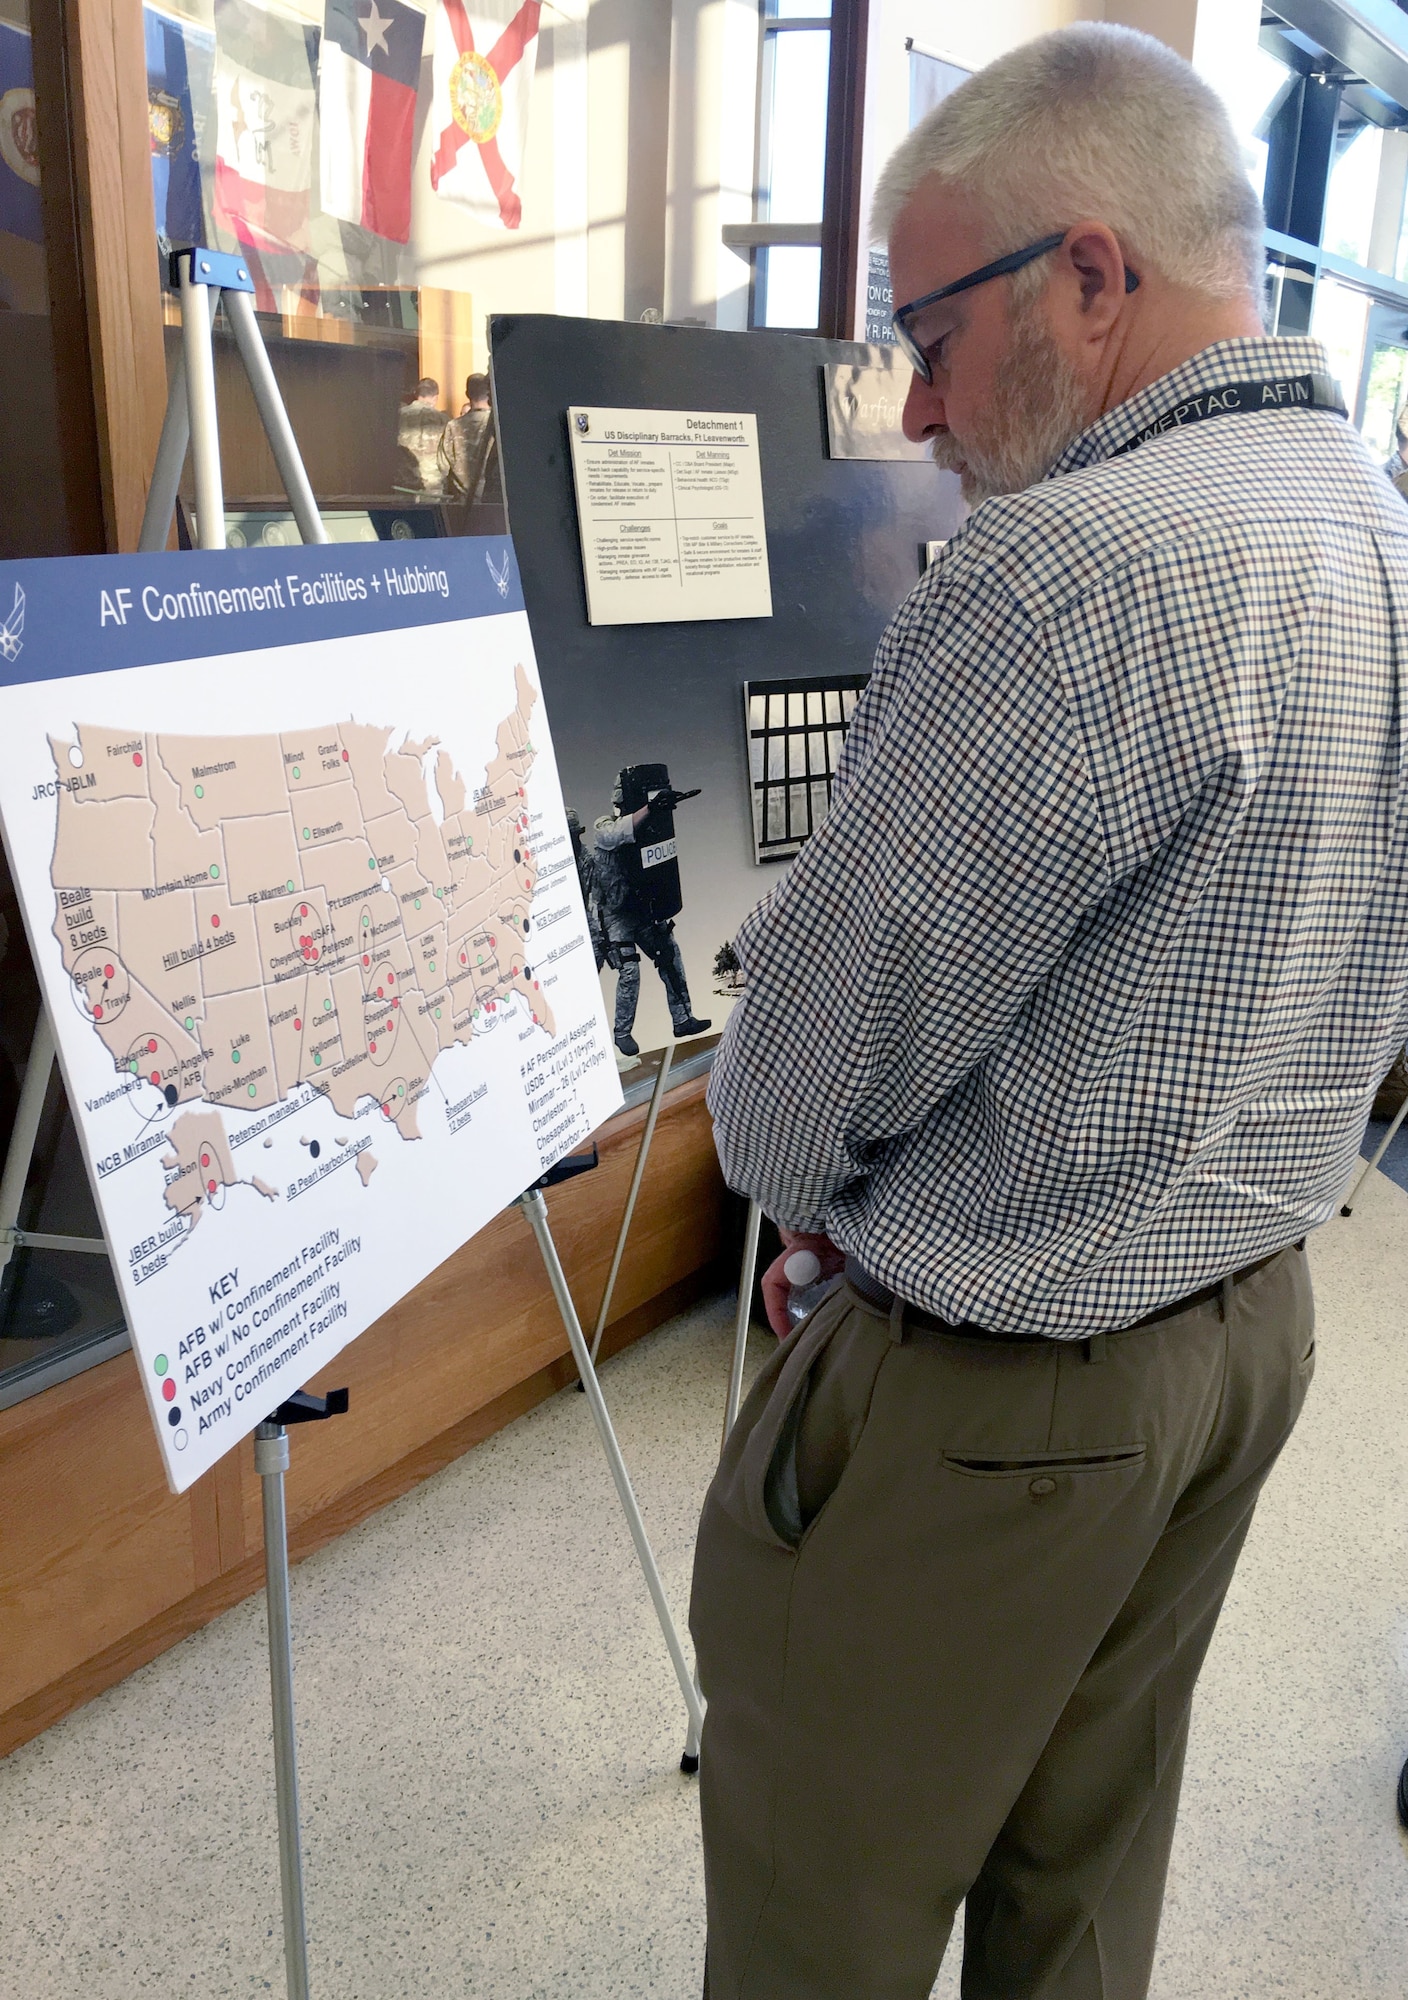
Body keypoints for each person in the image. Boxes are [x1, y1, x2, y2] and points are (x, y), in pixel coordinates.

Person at [691, 24, 1408, 2000]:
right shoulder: (1366, 515)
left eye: (923, 326)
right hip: (1247, 1327)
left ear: (1089, 278)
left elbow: (792, 1094)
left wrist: (801, 1175)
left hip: (996, 1385)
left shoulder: (1063, 574)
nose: (910, 402)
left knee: (809, 1899)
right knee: (1078, 1871)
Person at [593, 768, 711, 1057]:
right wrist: (651, 807)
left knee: (670, 954)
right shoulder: (604, 825)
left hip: (641, 908)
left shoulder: (649, 825)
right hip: (615, 914)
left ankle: (683, 1019)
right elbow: (616, 835)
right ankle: (622, 1032)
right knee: (629, 970)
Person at [439, 372, 498, 504]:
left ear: (467, 394)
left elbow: (442, 467)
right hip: (491, 501)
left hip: (462, 504)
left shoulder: (453, 426)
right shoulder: (496, 425)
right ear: (488, 393)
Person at [396, 378, 448, 493]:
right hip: (433, 485)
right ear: (435, 398)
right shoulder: (443, 420)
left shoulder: (398, 416)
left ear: (416, 394)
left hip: (404, 483)